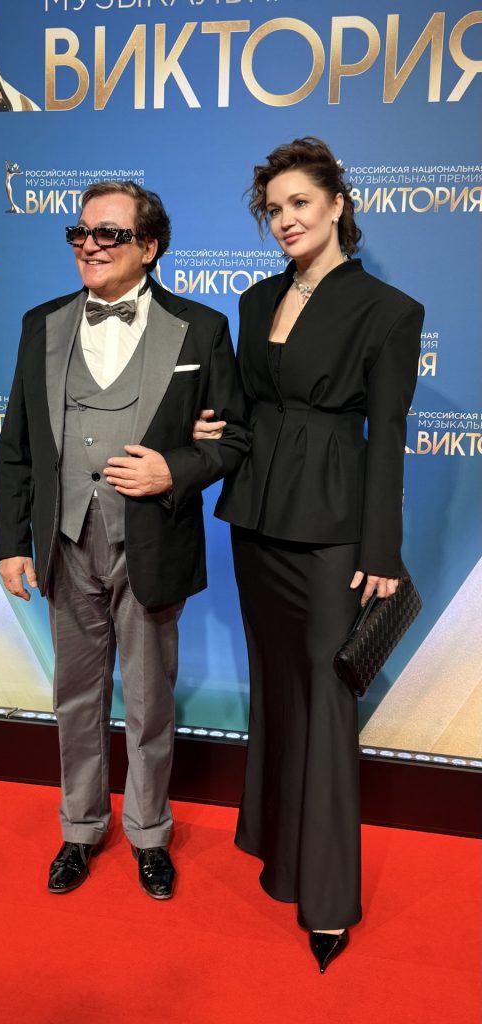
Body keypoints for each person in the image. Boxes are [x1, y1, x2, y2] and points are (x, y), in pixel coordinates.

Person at [0, 181, 249, 900]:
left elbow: (232, 438)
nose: (90, 245)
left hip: (153, 542)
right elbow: (16, 444)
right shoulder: (41, 323)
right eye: (81, 233)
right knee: (75, 697)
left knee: (148, 700)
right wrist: (12, 541)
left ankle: (148, 833)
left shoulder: (201, 328)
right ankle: (80, 827)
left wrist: (175, 469)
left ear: (150, 247)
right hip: (64, 540)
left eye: (109, 234)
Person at [205, 137, 423, 970]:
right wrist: (211, 428)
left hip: (332, 531)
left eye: (300, 203)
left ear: (338, 205)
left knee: (328, 702)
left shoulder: (388, 310)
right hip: (257, 522)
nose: (285, 220)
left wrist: (382, 551)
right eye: (274, 209)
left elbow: (387, 435)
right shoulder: (256, 299)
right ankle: (280, 852)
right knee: (277, 687)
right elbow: (245, 409)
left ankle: (328, 900)